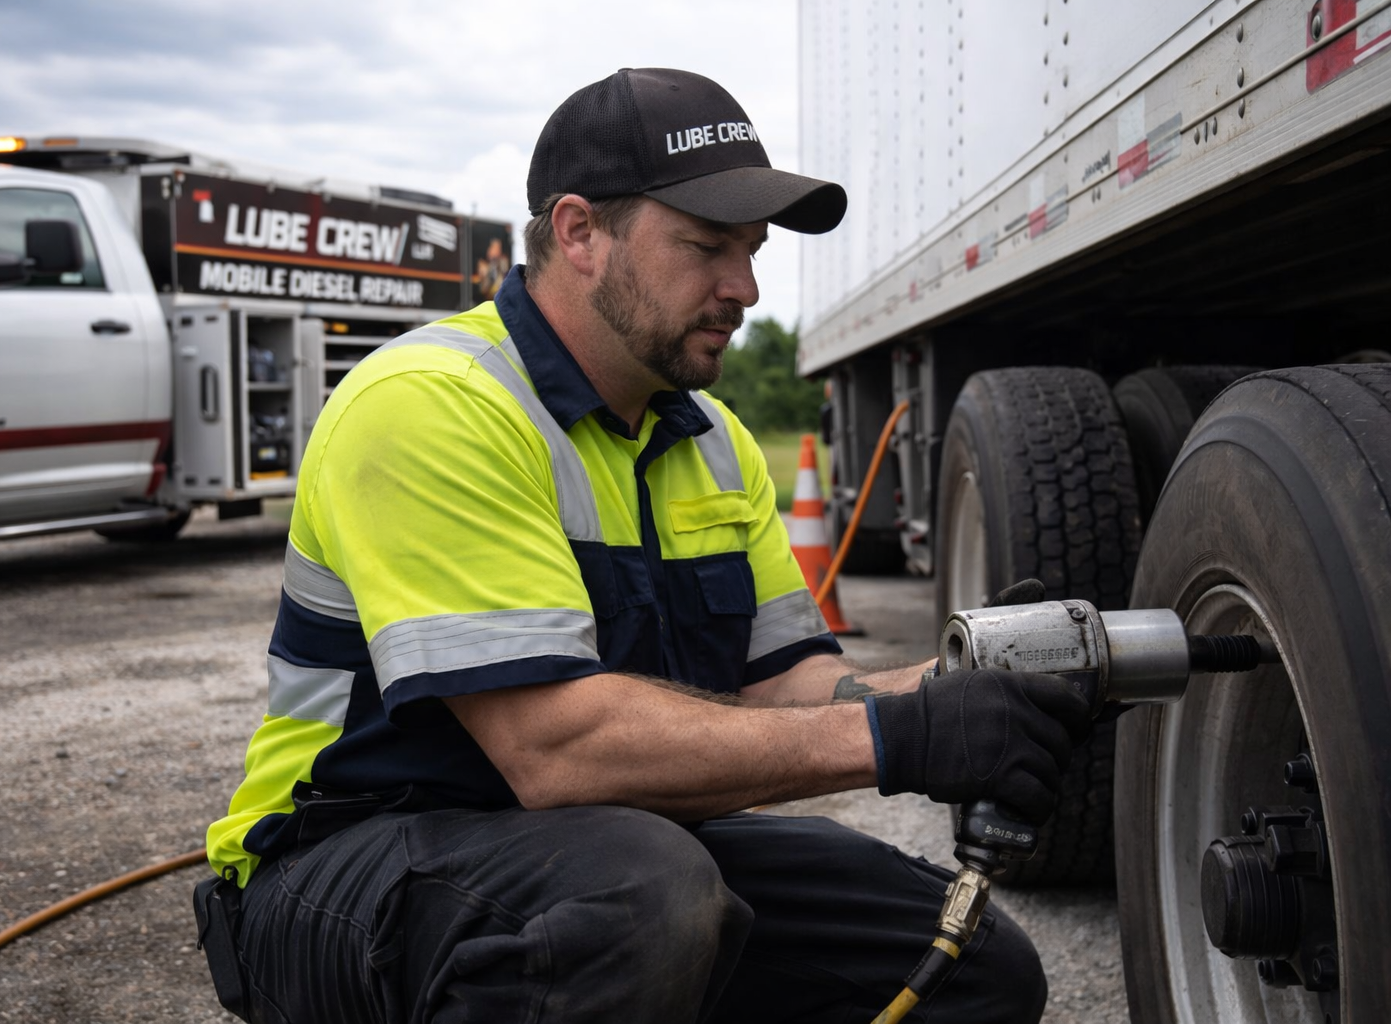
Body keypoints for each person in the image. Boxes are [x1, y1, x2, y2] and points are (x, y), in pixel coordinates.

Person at [202, 68, 1089, 1024]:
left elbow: (785, 684)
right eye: (706, 245)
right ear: (579, 232)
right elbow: (553, 749)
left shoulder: (711, 438)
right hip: (347, 861)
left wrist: (963, 686)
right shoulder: (429, 405)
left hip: (596, 848)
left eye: (750, 252)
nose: (743, 287)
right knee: (640, 894)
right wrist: (891, 738)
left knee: (976, 965)